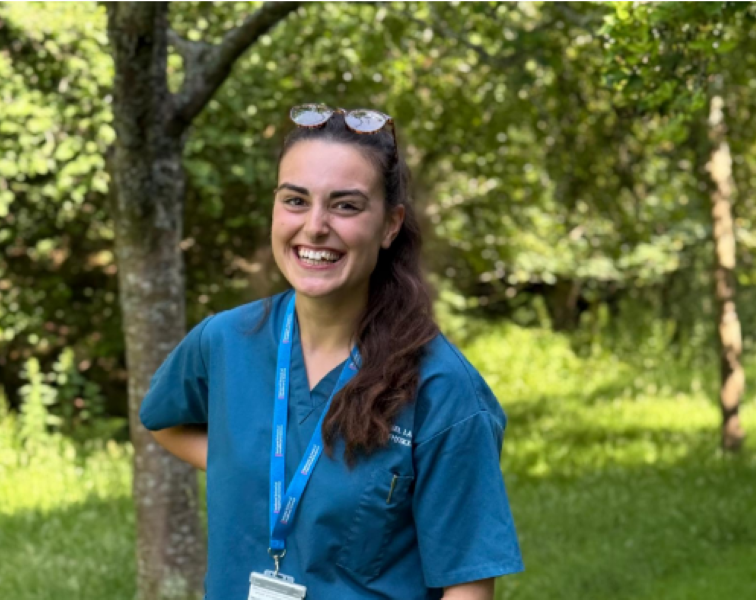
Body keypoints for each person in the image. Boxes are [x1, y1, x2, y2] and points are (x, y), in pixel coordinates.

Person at [139, 104, 524, 600]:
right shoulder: (224, 341)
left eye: (345, 206)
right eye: (296, 200)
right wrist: (243, 463)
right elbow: (163, 420)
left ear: (390, 225)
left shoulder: (442, 390)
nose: (315, 226)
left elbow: (467, 589)